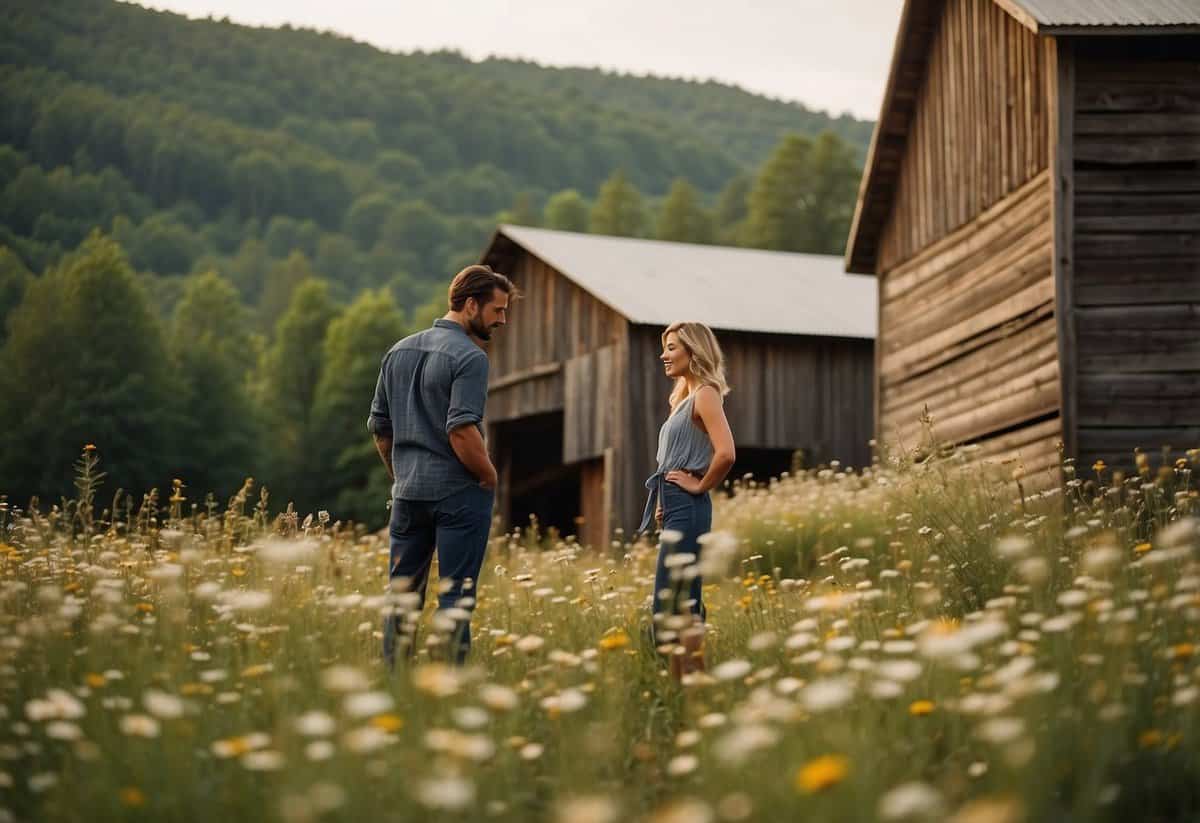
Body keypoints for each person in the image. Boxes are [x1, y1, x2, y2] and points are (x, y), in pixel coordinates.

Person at [368, 264, 515, 666]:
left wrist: (400, 476)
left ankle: (395, 683)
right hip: (458, 494)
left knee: (402, 597)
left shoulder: (398, 351)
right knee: (456, 594)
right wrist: (488, 475)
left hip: (408, 494)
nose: (502, 320)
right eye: (497, 311)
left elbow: (380, 428)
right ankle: (448, 687)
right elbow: (462, 430)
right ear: (470, 305)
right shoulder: (471, 357)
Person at [638, 321, 736, 680]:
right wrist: (665, 500)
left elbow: (725, 453)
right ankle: (690, 684)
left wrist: (698, 487)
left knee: (668, 601)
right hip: (676, 508)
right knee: (685, 600)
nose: (663, 354)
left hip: (690, 508)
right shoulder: (681, 401)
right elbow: (672, 460)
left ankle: (670, 680)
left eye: (672, 347)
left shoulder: (706, 394)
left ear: (694, 351)